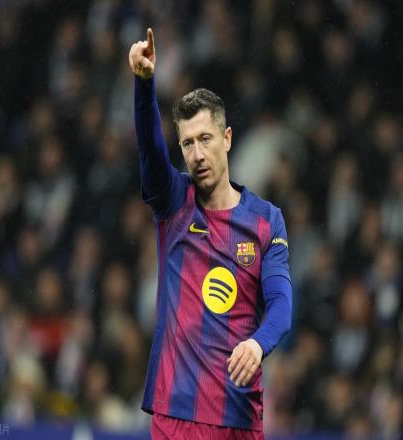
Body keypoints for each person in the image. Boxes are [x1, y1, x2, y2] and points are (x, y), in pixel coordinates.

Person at [128, 28, 292, 439]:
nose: (197, 154)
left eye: (205, 139)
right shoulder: (174, 203)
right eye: (187, 144)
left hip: (237, 416)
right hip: (175, 415)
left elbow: (281, 304)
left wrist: (257, 344)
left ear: (227, 138)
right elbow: (150, 151)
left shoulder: (266, 221)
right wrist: (144, 85)